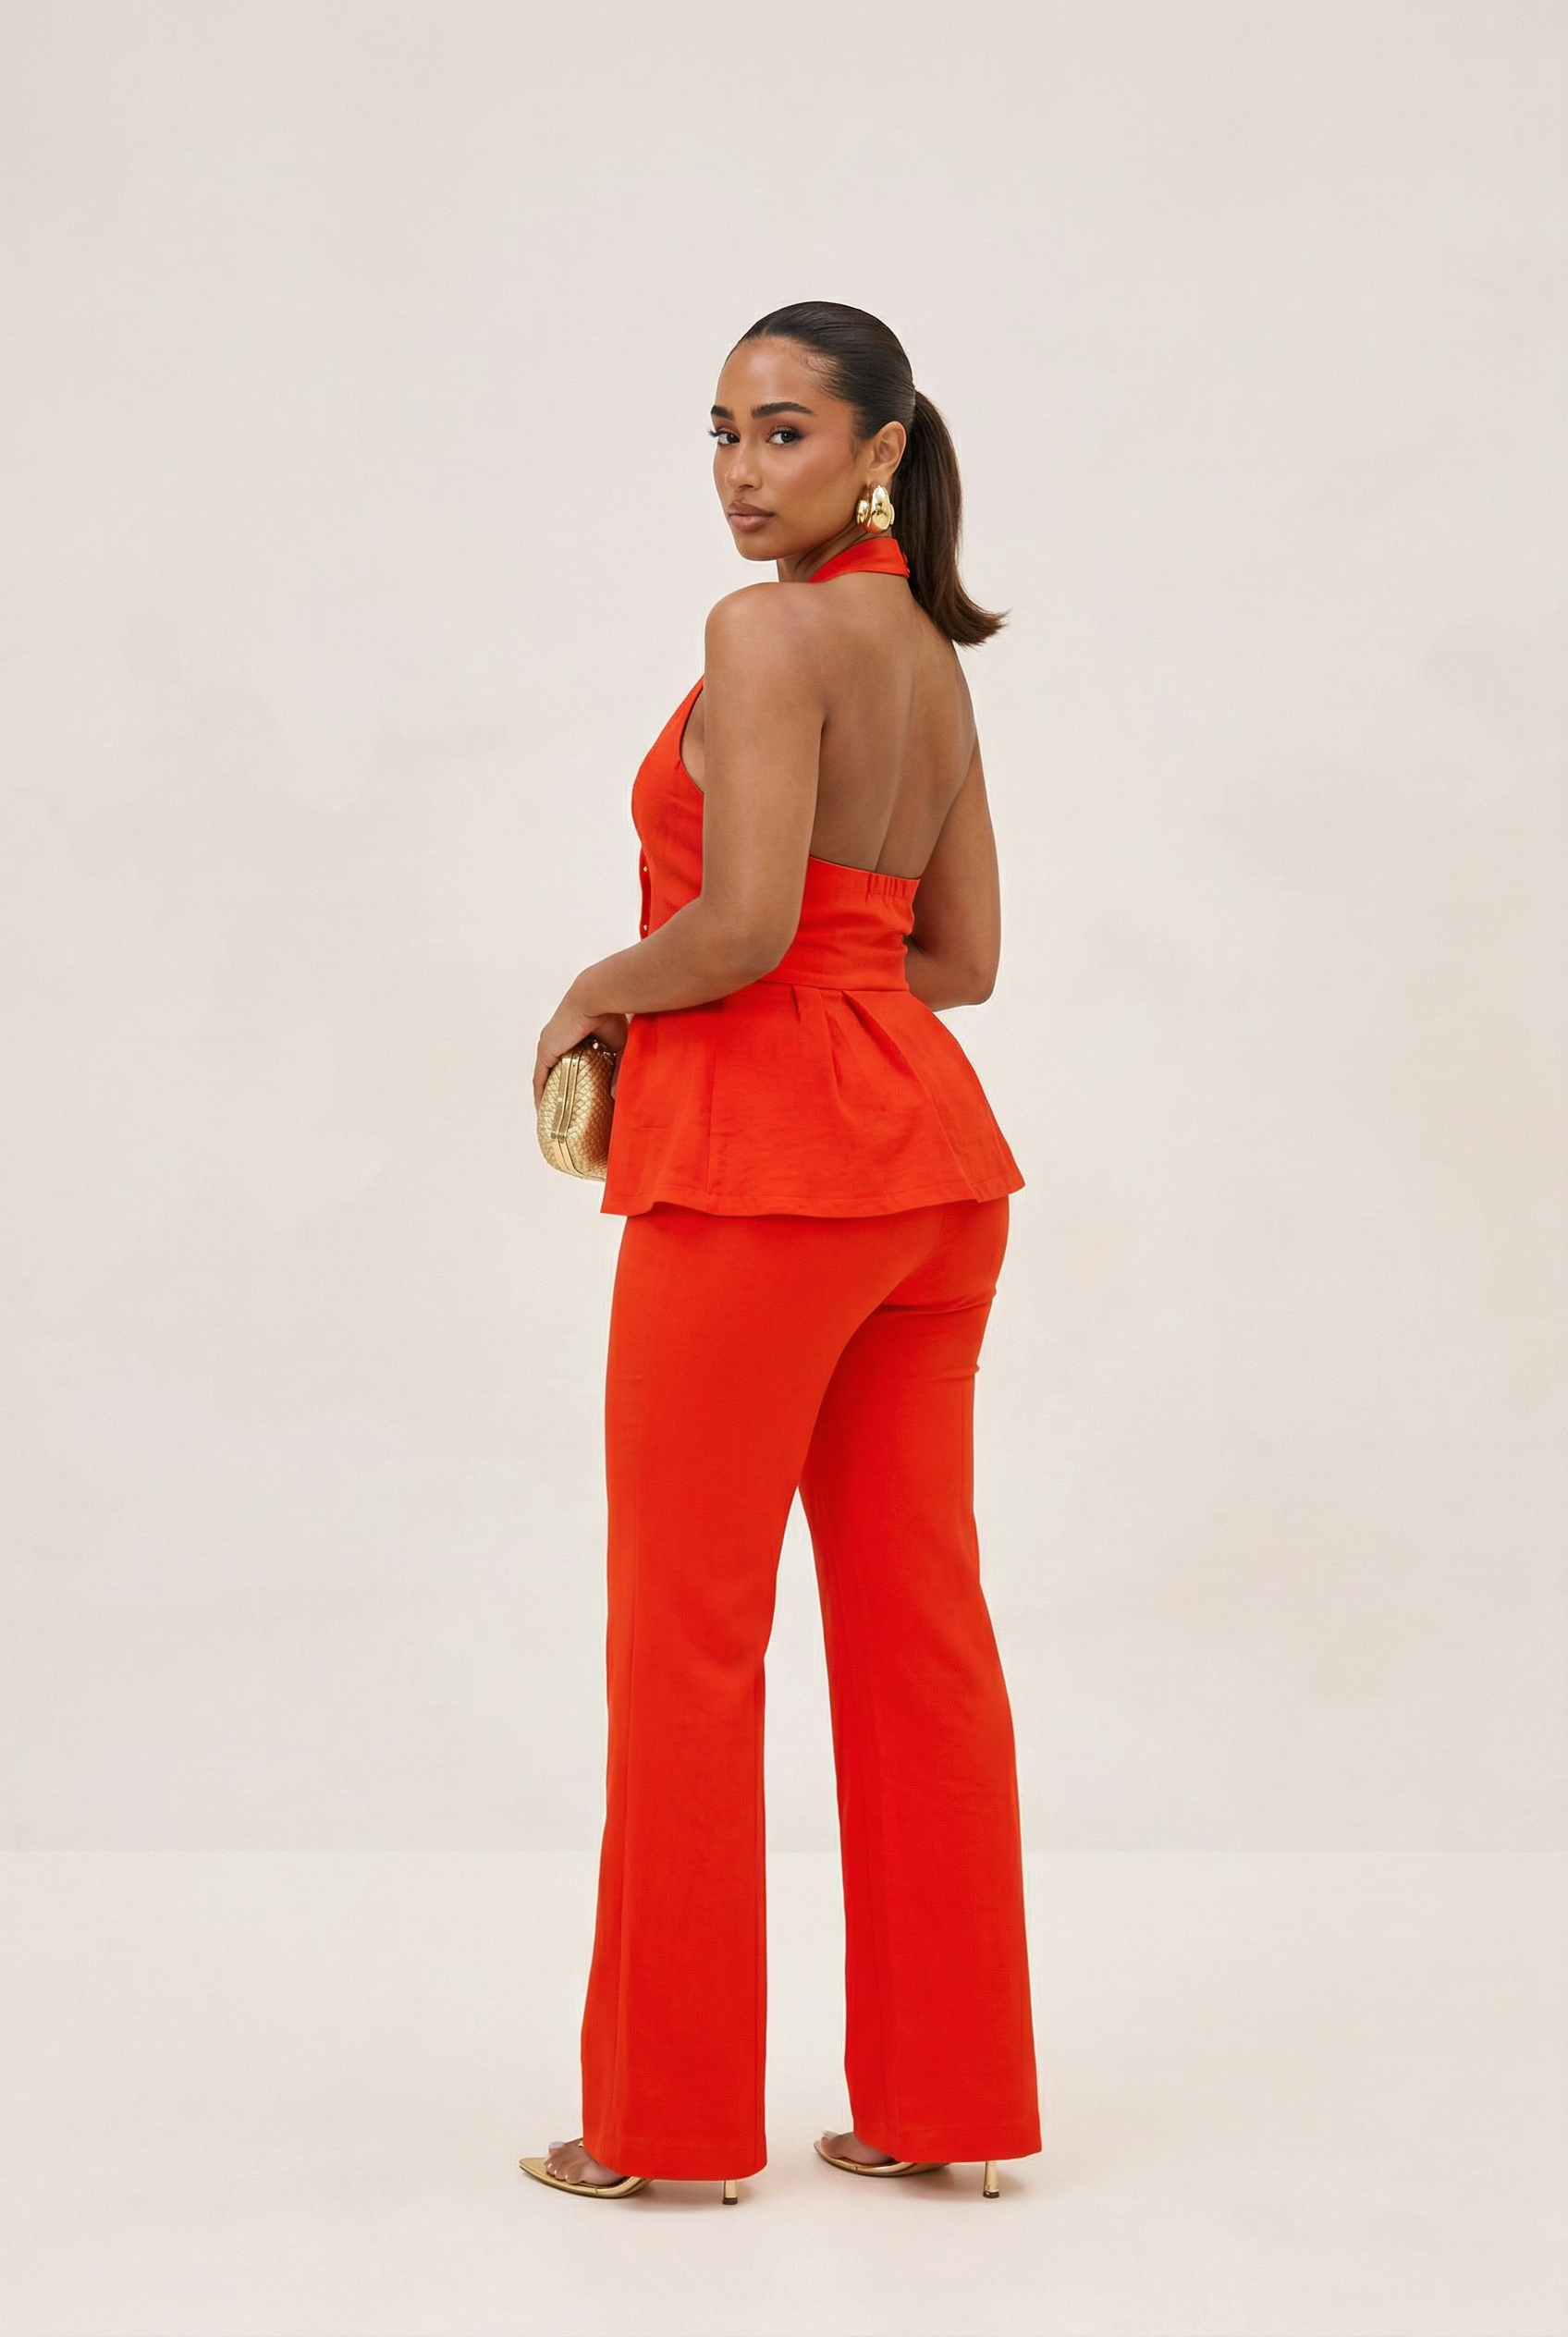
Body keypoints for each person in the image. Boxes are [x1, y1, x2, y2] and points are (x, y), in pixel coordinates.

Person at [520, 302, 1041, 2206]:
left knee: (685, 1633)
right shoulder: (923, 654)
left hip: (758, 1177)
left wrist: (593, 988)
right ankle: (948, 2105)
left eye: (787, 433)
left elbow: (737, 928)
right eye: (722, 434)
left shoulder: (762, 634)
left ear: (879, 449)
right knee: (917, 1635)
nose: (744, 471)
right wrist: (824, 977)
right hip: (925, 1173)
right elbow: (958, 962)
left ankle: (658, 2129)